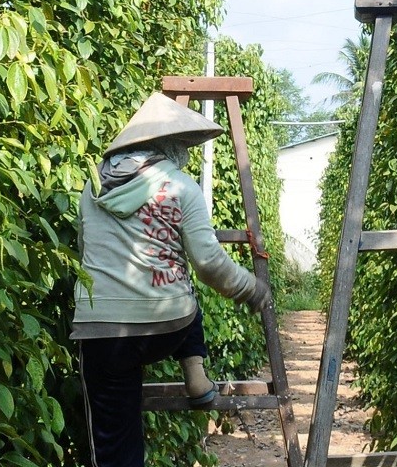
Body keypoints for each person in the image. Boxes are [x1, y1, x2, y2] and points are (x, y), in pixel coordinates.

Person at [72, 93, 273, 467]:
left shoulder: (91, 188)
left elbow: (86, 251)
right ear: (167, 147)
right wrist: (252, 289)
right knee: (183, 283)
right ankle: (195, 375)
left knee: (114, 444)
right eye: (181, 146)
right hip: (168, 328)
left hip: (102, 334)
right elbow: (209, 263)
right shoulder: (182, 187)